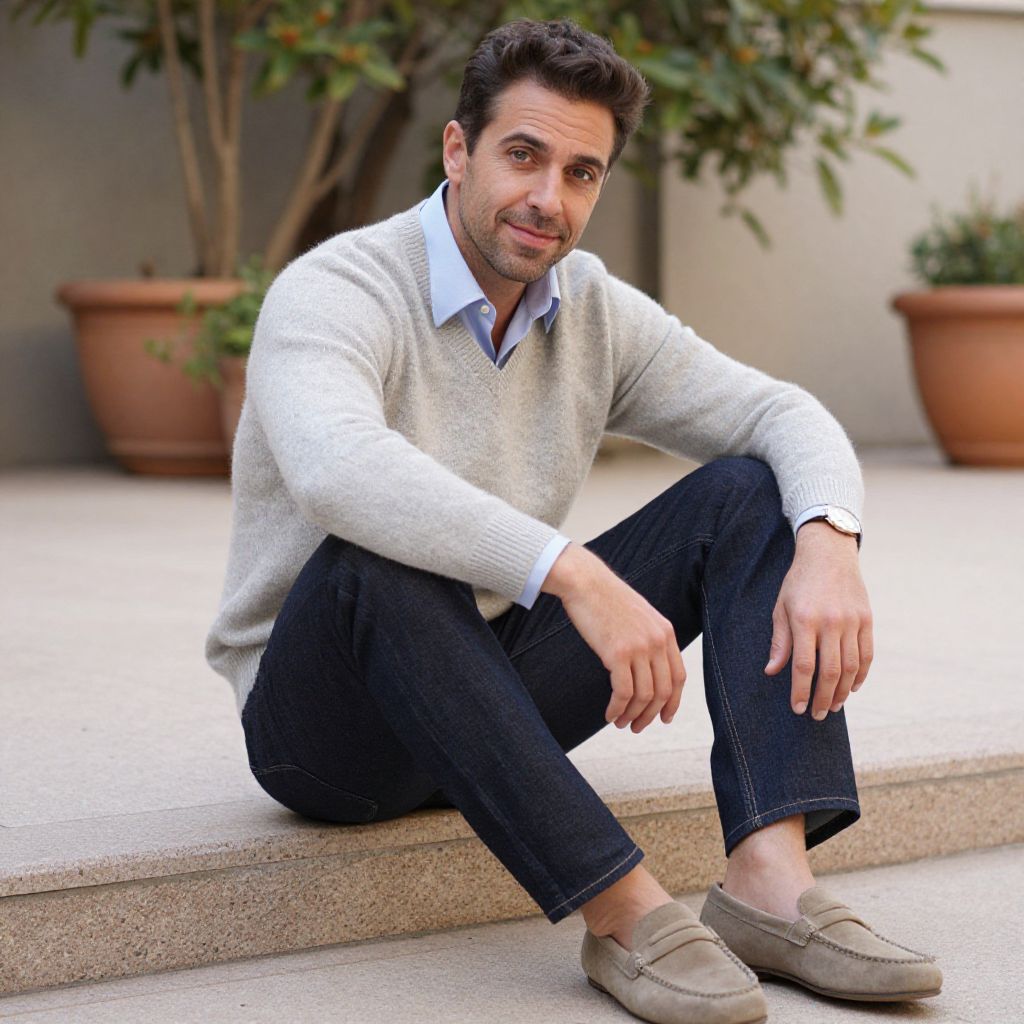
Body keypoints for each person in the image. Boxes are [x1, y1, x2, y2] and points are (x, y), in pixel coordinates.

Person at [205, 17, 941, 1024]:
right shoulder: (338, 288)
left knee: (753, 491)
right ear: (457, 150)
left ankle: (771, 883)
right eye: (523, 155)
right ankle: (627, 916)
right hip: (326, 726)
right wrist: (574, 574)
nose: (548, 199)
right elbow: (341, 473)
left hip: (484, 680)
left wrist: (829, 541)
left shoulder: (587, 307)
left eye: (582, 172)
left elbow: (780, 412)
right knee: (377, 560)